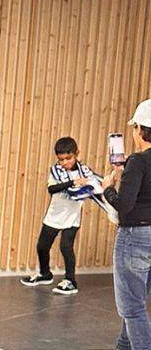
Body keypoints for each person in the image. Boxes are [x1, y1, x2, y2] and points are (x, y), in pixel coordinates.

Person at [21, 136, 110, 295]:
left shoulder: (84, 171)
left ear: (77, 154)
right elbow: (52, 189)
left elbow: (95, 186)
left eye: (68, 158)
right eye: (61, 159)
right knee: (42, 246)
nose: (65, 162)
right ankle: (45, 274)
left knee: (66, 246)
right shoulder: (56, 171)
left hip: (72, 215)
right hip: (55, 214)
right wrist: (72, 183)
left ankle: (70, 280)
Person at [103, 99, 151, 350]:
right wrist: (125, 175)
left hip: (135, 237)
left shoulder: (138, 161)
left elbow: (124, 205)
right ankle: (124, 345)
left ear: (140, 130)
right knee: (137, 299)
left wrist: (107, 189)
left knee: (132, 308)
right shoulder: (135, 165)